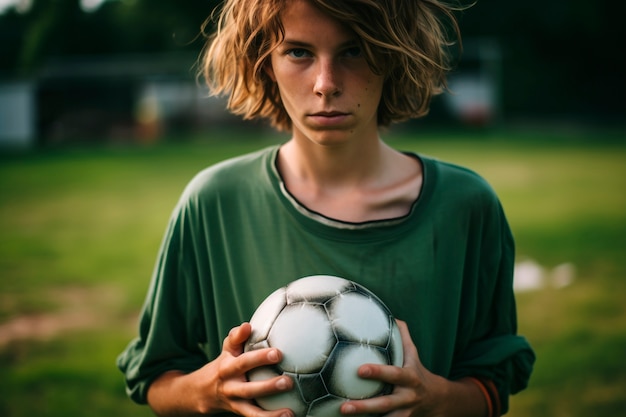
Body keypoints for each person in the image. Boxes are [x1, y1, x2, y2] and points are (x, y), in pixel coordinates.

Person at [117, 0, 535, 416]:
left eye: (354, 50)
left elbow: (493, 381)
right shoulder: (213, 203)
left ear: (393, 55)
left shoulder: (464, 206)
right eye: (298, 52)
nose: (325, 83)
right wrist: (208, 391)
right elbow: (155, 377)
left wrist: (436, 400)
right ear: (266, 63)